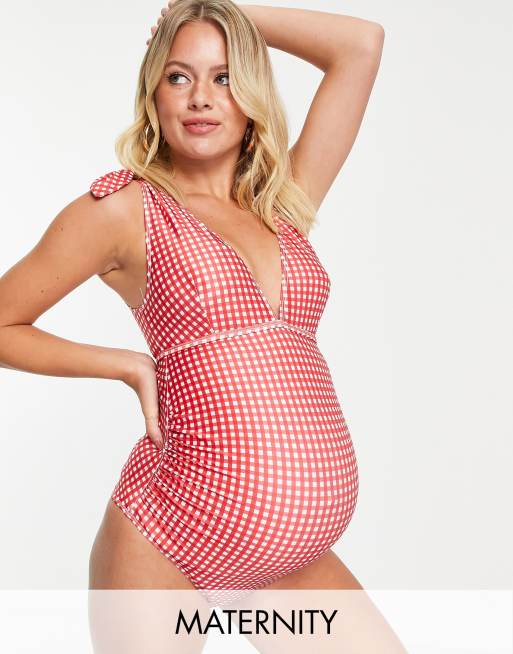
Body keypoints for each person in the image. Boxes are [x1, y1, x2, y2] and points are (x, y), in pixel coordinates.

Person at [1, 1, 407, 651]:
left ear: (251, 96)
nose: (200, 98)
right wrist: (126, 365)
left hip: (287, 563)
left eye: (224, 77)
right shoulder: (123, 210)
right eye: (178, 76)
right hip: (167, 541)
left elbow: (361, 44)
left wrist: (221, 9)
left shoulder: (283, 201)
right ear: (153, 95)